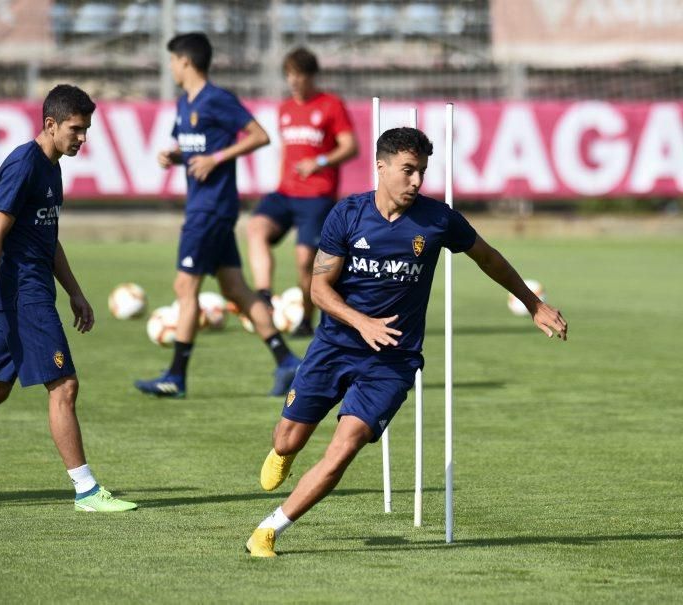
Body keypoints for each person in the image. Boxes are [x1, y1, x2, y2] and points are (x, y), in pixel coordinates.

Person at [245, 127, 568, 556]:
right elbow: (319, 290)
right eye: (408, 171)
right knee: (286, 440)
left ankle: (271, 528)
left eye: (422, 172)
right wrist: (362, 322)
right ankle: (285, 452)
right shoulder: (347, 214)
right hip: (335, 346)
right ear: (381, 167)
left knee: (345, 447)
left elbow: (487, 256)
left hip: (393, 362)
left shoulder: (439, 220)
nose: (417, 182)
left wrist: (533, 303)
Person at [0, 85, 137, 512]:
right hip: (23, 295)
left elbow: (47, 239)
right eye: (76, 129)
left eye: (87, 130)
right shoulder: (23, 164)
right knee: (64, 385)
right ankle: (86, 490)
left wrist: (76, 292)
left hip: (32, 290)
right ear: (50, 124)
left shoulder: (52, 167)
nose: (83, 138)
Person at [135, 33, 300, 398]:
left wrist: (218, 158)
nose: (171, 67)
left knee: (185, 287)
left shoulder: (218, 100)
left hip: (211, 209)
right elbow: (192, 146)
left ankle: (175, 376)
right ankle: (288, 362)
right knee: (235, 289)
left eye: (172, 61)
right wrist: (175, 156)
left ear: (185, 62)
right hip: (206, 208)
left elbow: (260, 136)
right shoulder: (184, 104)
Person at [247, 47, 358, 338]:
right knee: (255, 227)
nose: (294, 81)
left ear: (311, 76)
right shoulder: (285, 108)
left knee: (305, 259)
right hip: (285, 192)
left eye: (299, 75)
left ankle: (308, 319)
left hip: (317, 195)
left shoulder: (331, 105)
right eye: (289, 75)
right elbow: (286, 151)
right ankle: (263, 294)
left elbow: (351, 146)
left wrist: (320, 161)